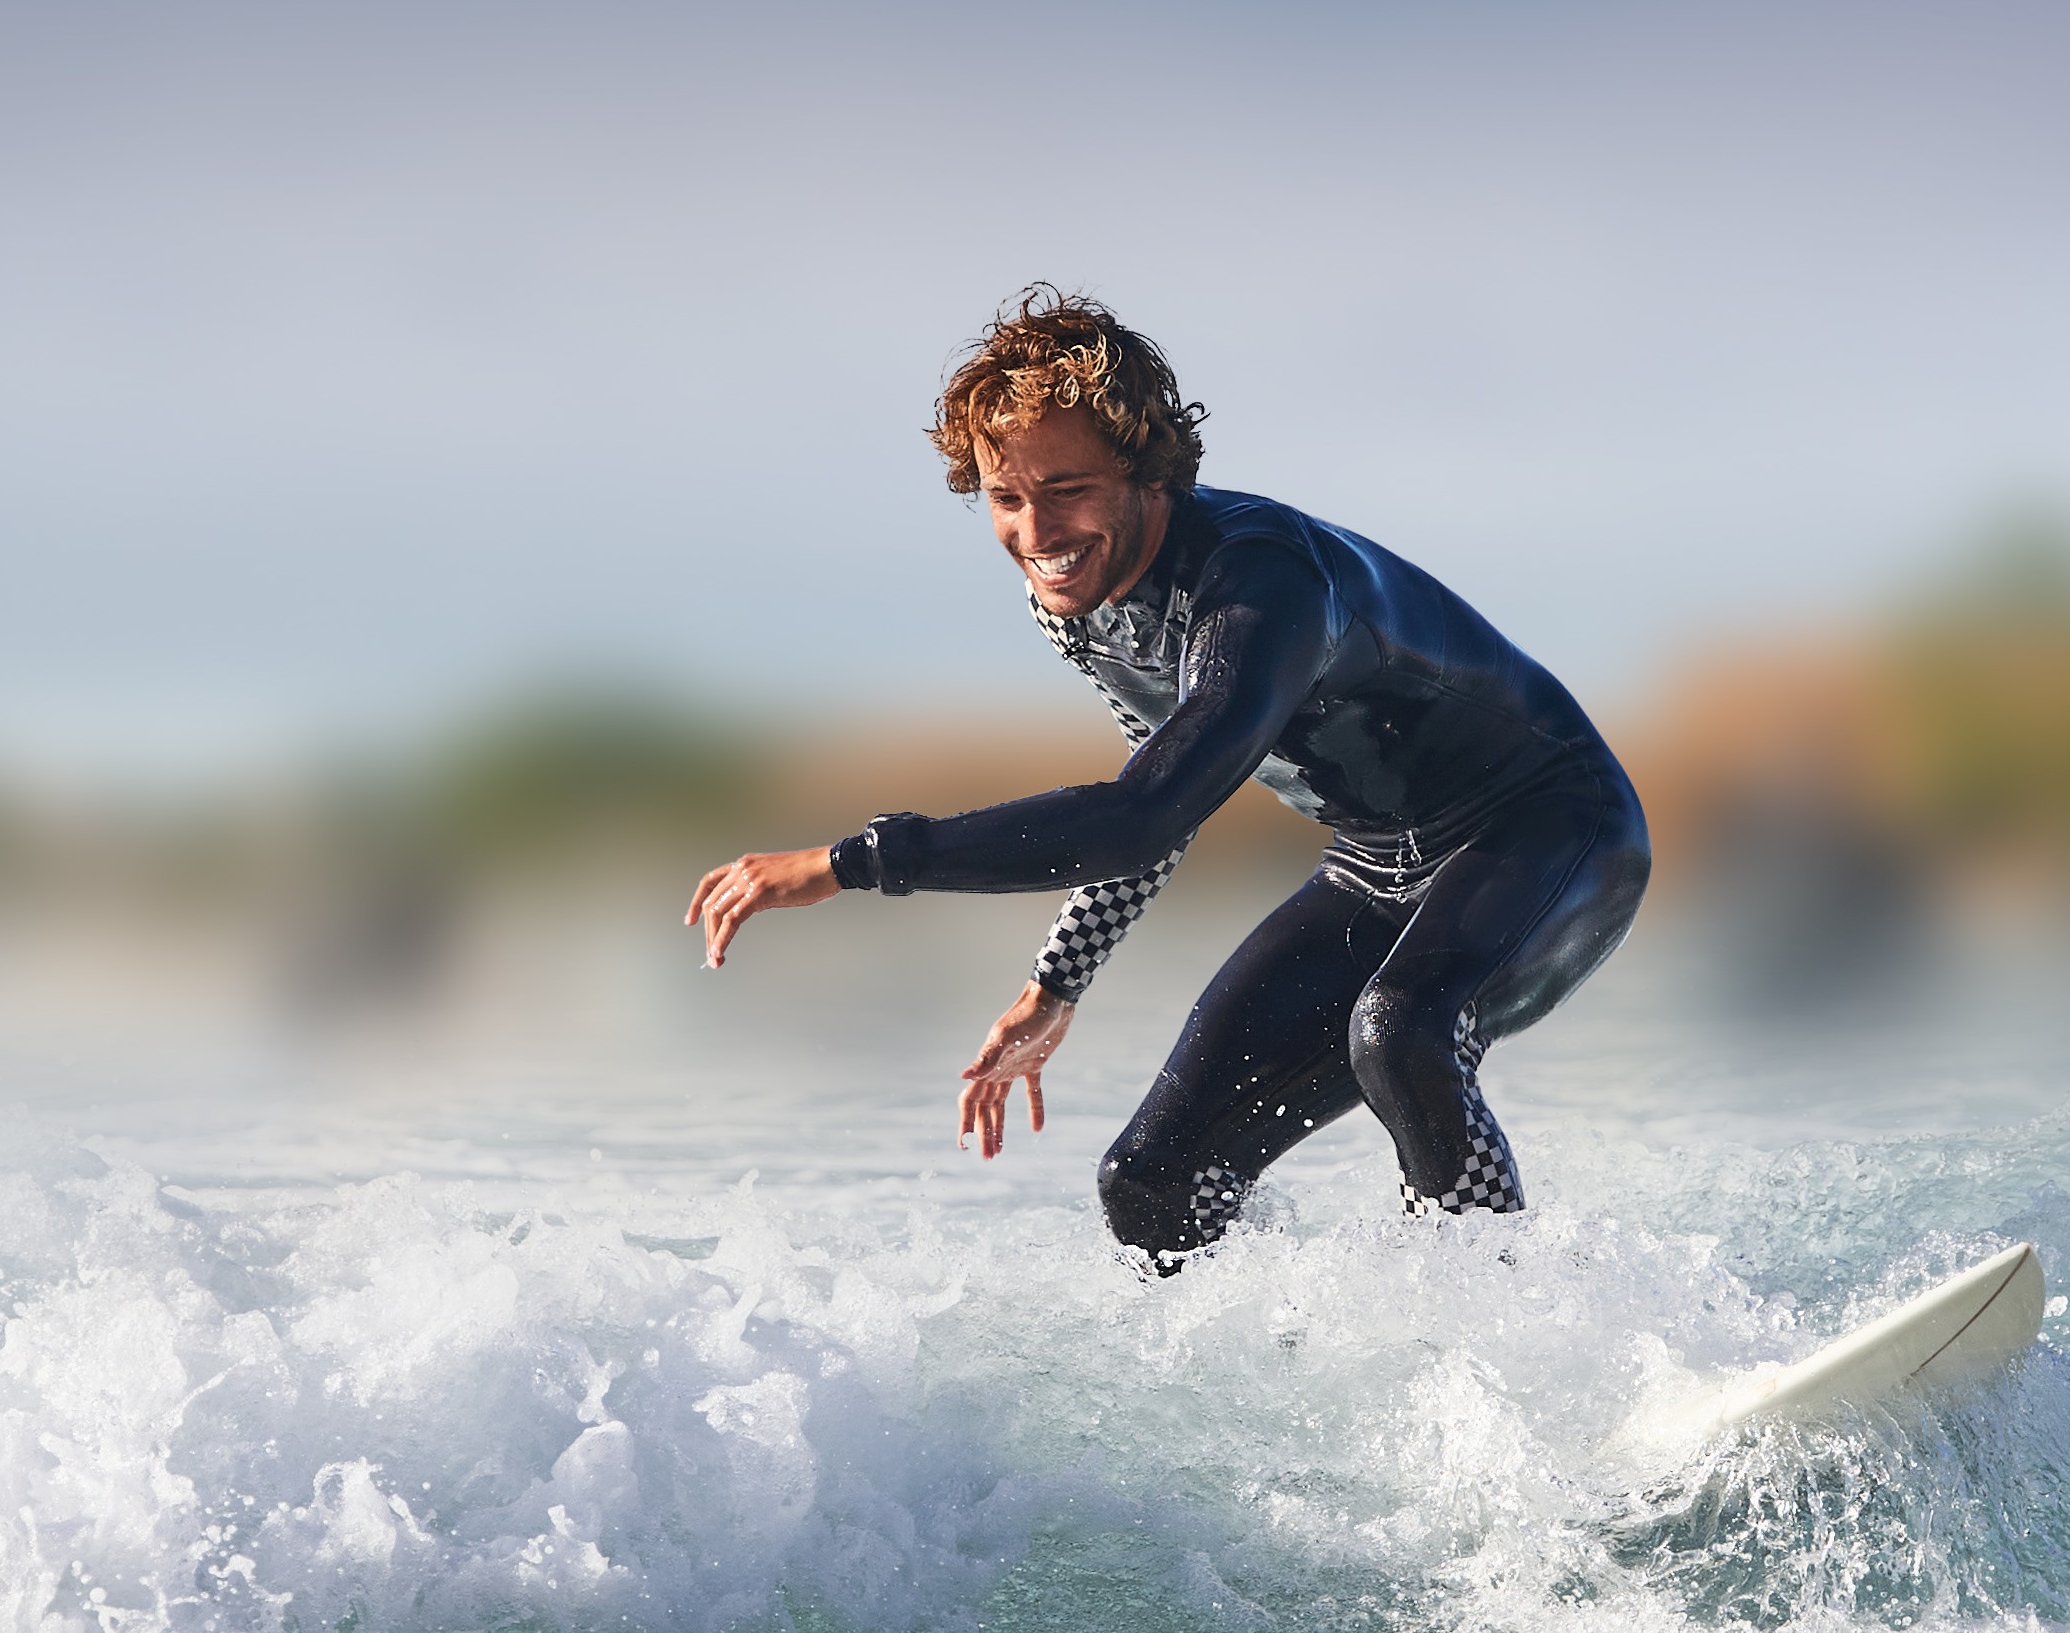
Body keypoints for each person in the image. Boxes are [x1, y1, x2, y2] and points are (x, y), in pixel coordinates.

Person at [684, 288, 1649, 1260]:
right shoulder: (1077, 600)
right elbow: (1157, 796)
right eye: (1006, 499)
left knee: (1401, 1033)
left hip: (1553, 829)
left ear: (1147, 470)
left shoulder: (1262, 585)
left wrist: (855, 862)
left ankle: (1509, 1303)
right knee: (1151, 1182)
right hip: (1376, 864)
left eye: (1067, 489)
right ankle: (1278, 1348)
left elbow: (1142, 814)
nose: (1037, 534)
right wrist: (1056, 983)